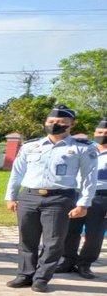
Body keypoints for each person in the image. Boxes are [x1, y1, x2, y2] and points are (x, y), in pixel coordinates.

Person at [5, 104, 98, 292]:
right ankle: (25, 274)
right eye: (51, 121)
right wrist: (11, 196)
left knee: (53, 241)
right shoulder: (31, 146)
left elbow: (89, 177)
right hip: (29, 196)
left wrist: (84, 203)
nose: (55, 124)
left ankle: (42, 278)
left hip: (60, 198)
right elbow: (17, 173)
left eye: (61, 122)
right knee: (27, 239)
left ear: (72, 124)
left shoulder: (81, 149)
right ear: (45, 123)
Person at [56, 115, 107, 279]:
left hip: (101, 198)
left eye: (106, 132)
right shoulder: (85, 148)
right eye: (99, 131)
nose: (102, 134)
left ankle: (84, 264)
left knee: (94, 234)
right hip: (75, 194)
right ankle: (67, 261)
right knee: (70, 231)